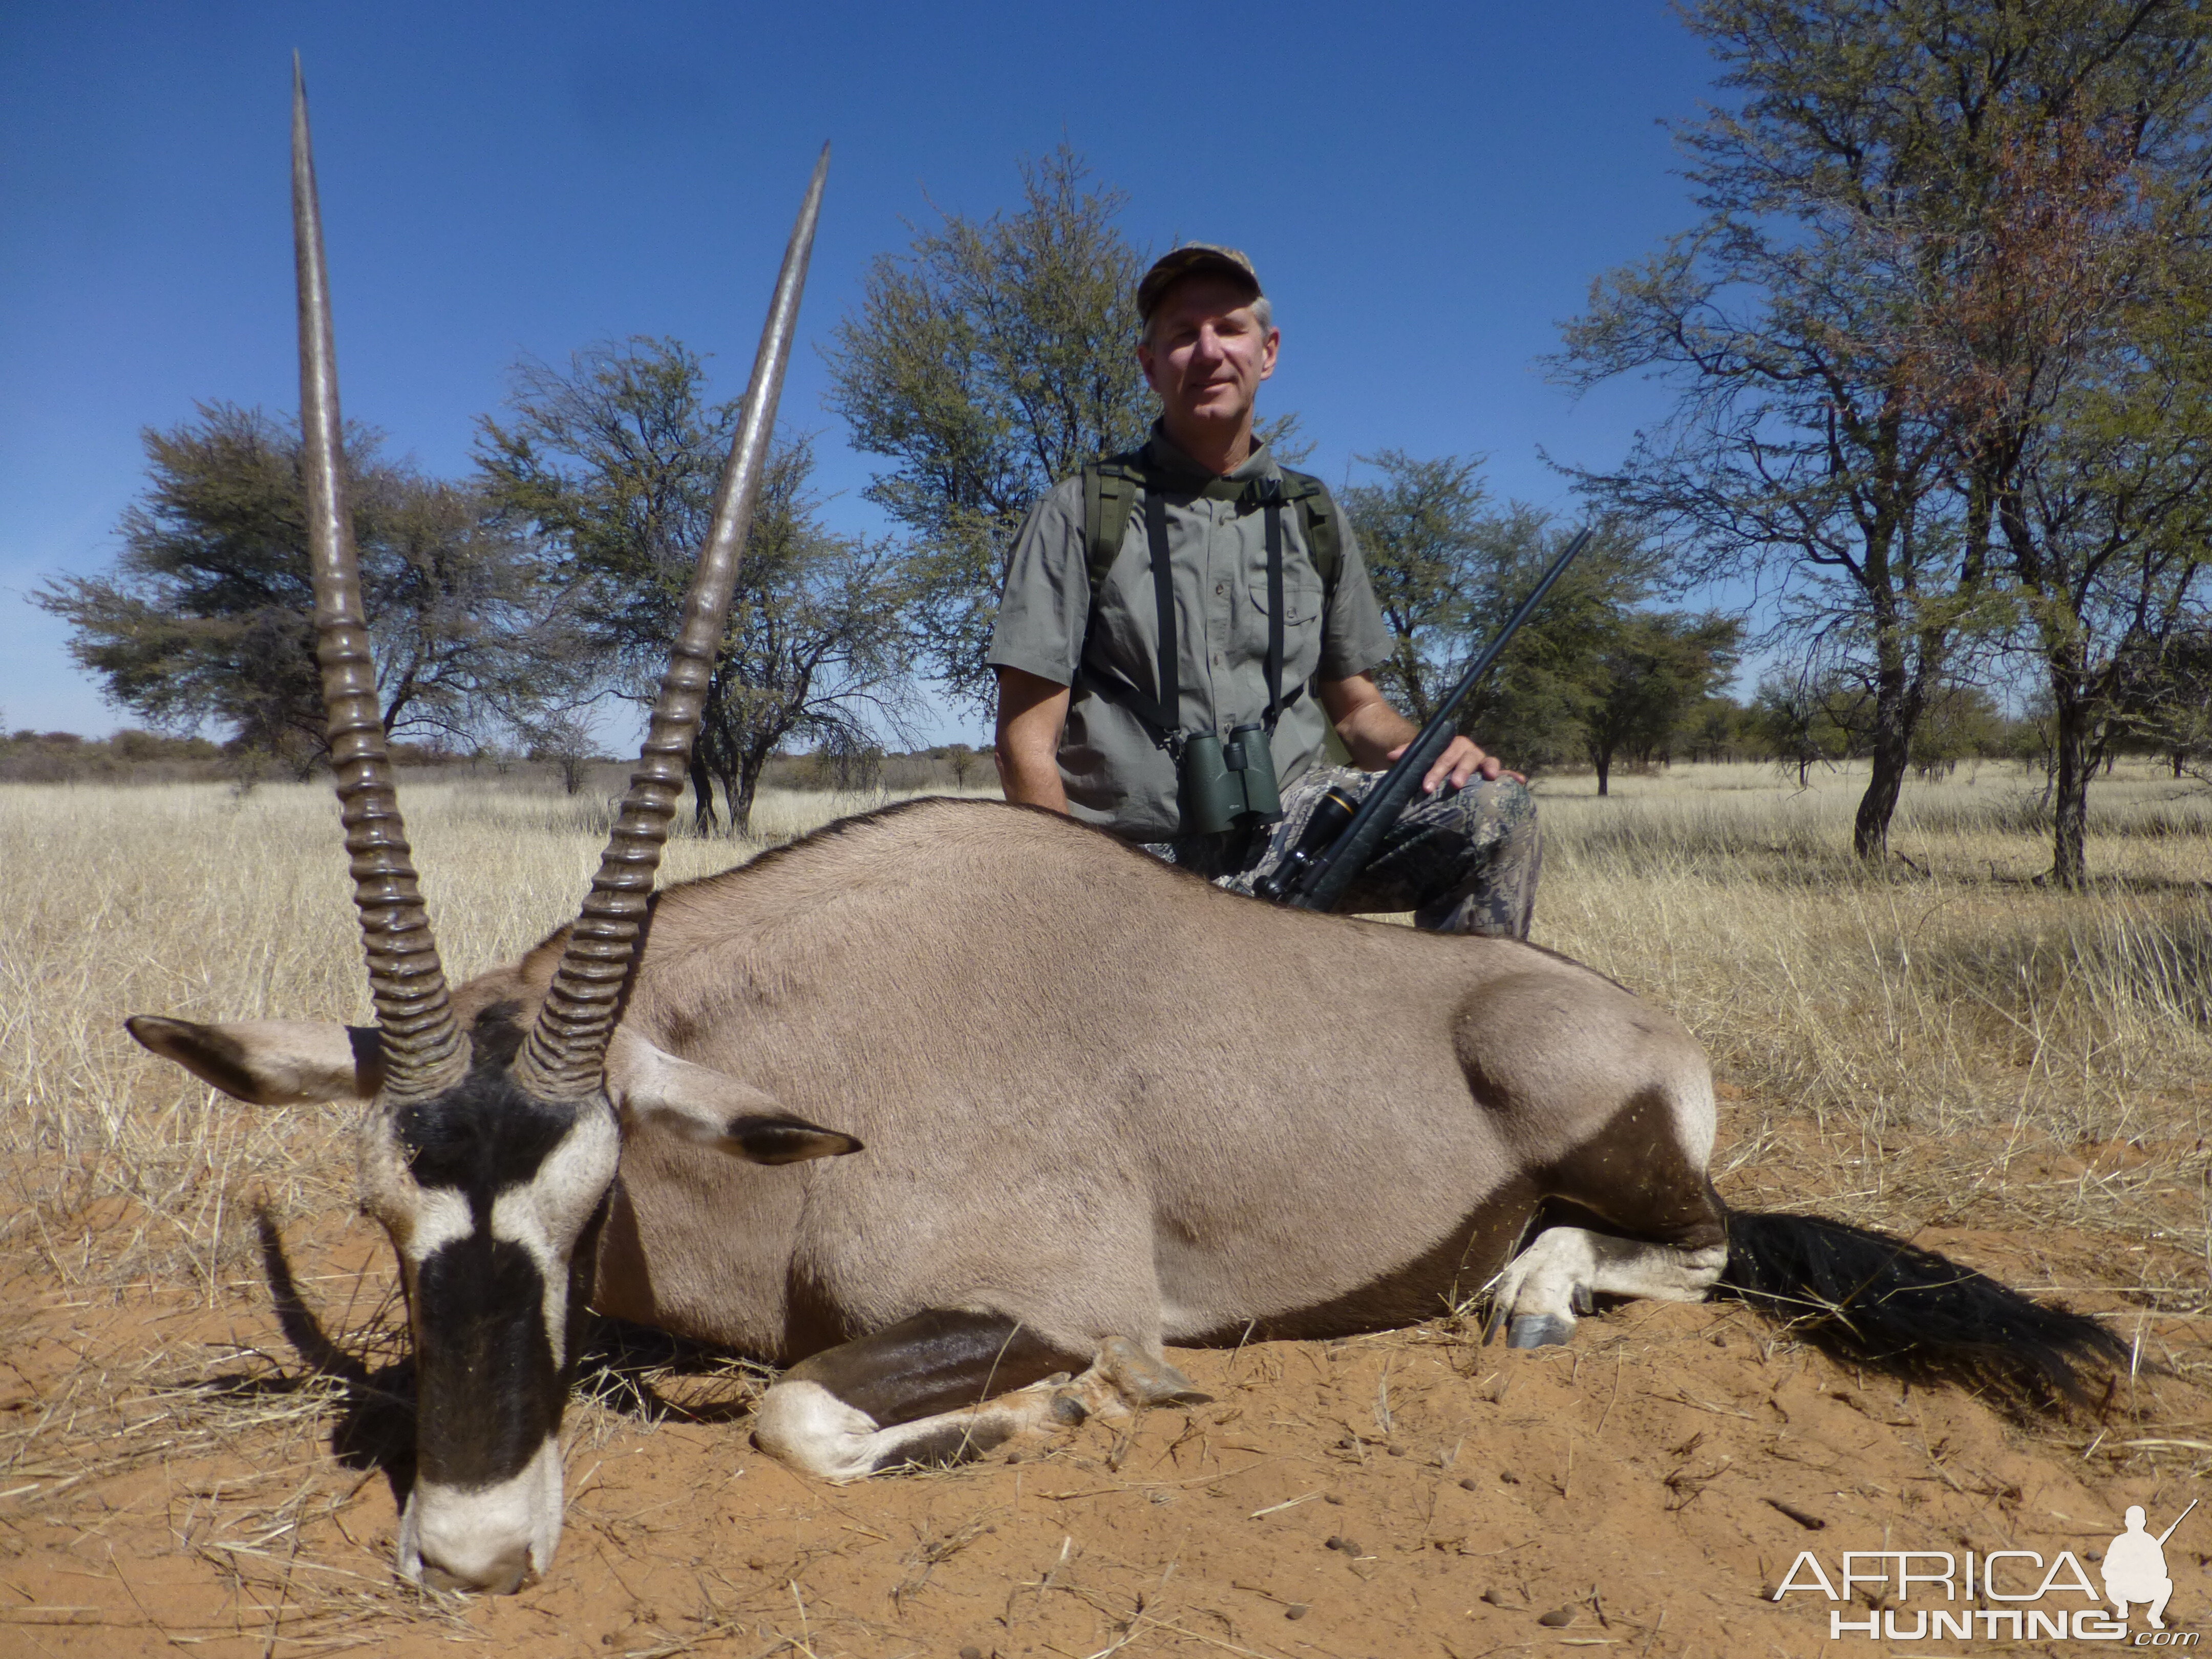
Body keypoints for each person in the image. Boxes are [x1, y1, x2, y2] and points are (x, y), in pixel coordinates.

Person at [987, 243, 1540, 937]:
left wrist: (1429, 751)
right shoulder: (1078, 511)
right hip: (1130, 857)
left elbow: (1358, 710)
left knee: (1494, 811)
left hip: (1299, 836)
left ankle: (1447, 1033)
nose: (1210, 351)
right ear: (1150, 365)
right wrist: (1069, 898)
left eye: (1231, 328)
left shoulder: (1316, 514)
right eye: (1184, 335)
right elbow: (1024, 742)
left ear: (1269, 351)